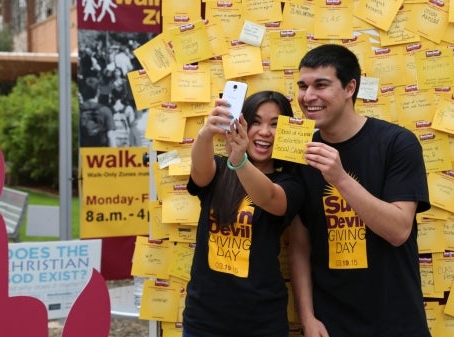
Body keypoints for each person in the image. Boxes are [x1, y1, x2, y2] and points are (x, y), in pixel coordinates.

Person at [288, 44, 431, 337]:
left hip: (396, 322)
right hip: (329, 324)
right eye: (302, 86)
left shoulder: (398, 143)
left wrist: (340, 178)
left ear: (350, 87)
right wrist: (307, 317)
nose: (308, 96)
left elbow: (398, 230)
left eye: (321, 85)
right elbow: (299, 245)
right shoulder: (298, 150)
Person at [182, 91, 305, 337]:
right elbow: (199, 172)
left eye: (275, 124)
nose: (264, 132)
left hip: (260, 323)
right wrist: (207, 132)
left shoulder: (290, 183)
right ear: (241, 124)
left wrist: (239, 161)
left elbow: (270, 198)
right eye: (256, 122)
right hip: (203, 320)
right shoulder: (218, 169)